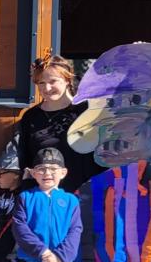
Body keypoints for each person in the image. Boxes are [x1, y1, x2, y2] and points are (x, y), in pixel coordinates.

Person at [17, 51, 103, 193]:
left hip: (86, 195)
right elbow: (26, 161)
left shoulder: (88, 111)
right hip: (46, 197)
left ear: (67, 79)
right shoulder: (30, 117)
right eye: (41, 83)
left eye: (53, 81)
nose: (47, 88)